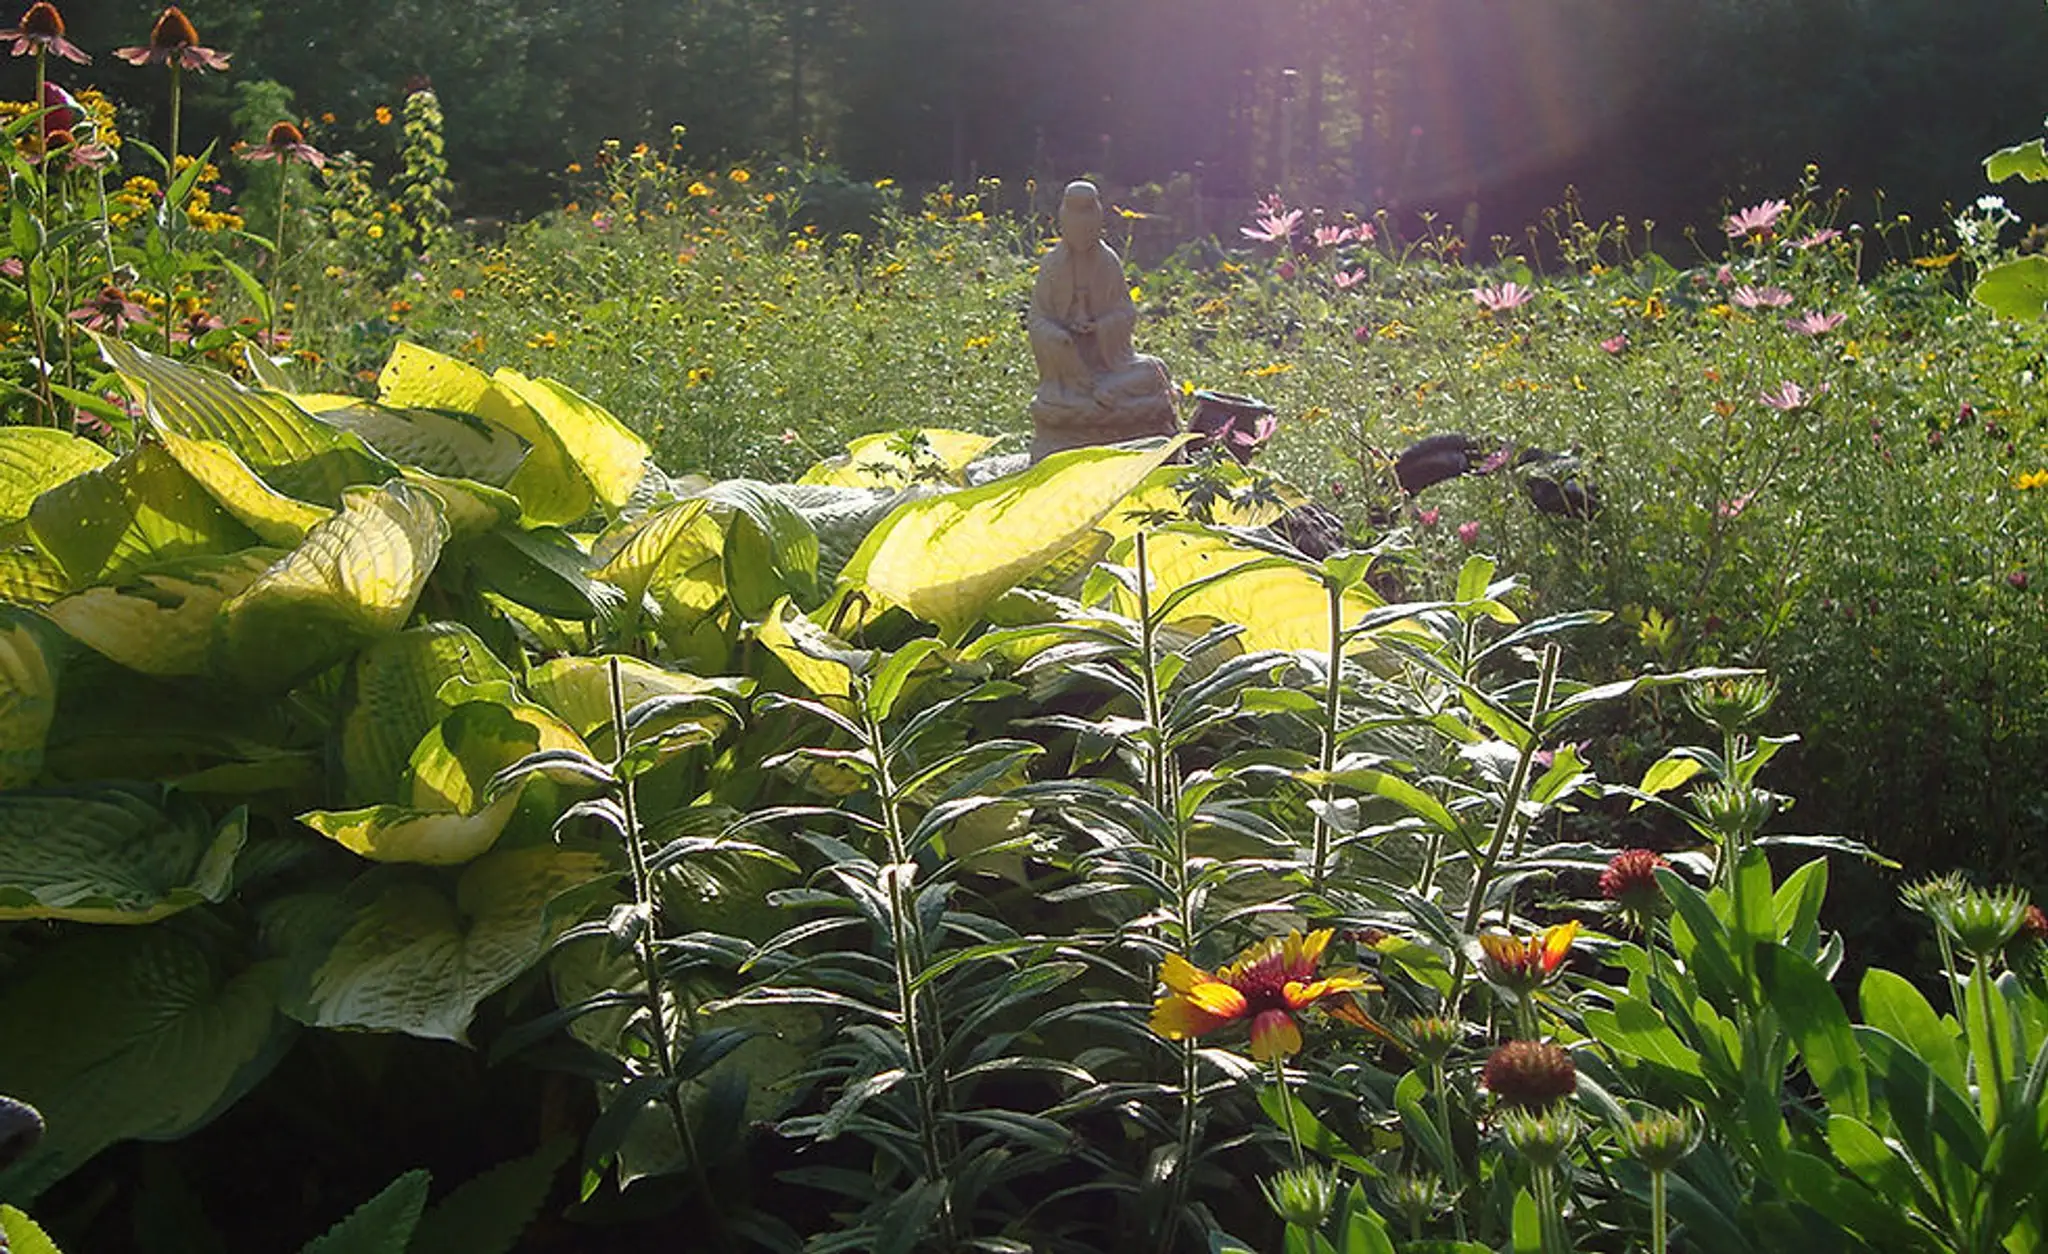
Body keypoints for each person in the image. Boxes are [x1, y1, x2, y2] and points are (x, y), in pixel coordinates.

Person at [1027, 180, 1176, 460]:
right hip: (1069, 372)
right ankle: (1091, 396)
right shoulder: (1052, 266)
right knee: (1055, 400)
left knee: (1156, 371)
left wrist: (1101, 327)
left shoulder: (1108, 262)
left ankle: (1102, 393)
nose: (1083, 235)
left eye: (1088, 227)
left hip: (1109, 365)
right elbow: (1037, 320)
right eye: (1076, 227)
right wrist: (1061, 337)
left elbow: (1125, 312)